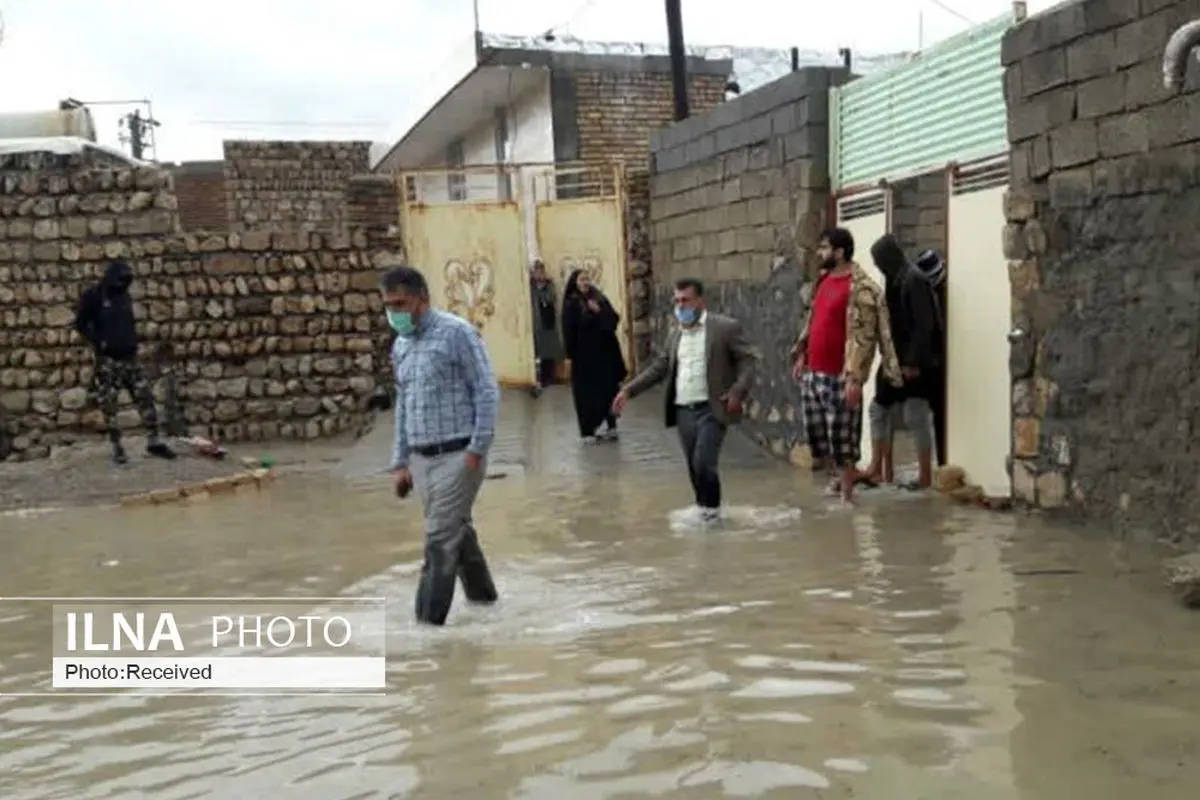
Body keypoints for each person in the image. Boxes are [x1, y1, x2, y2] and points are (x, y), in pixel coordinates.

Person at [383, 266, 500, 627]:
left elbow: (486, 390)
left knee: (438, 540)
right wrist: (400, 462)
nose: (394, 312)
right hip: (421, 459)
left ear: (423, 299)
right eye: (388, 305)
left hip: (458, 456)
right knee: (456, 531)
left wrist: (477, 450)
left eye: (401, 303)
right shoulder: (401, 345)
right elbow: (403, 403)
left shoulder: (457, 334)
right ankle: (485, 603)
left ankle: (427, 630)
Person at [612, 277, 758, 522]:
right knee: (693, 467)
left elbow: (748, 360)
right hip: (683, 411)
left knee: (704, 462)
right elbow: (659, 368)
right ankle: (704, 511)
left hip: (712, 408)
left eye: (686, 300)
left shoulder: (724, 328)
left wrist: (737, 391)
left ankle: (712, 515)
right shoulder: (675, 335)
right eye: (677, 301)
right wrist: (628, 391)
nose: (681, 306)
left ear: (700, 301)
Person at [790, 228, 901, 504]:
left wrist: (855, 378)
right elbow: (813, 320)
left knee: (844, 441)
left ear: (840, 252)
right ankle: (838, 480)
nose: (819, 253)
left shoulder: (861, 288)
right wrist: (802, 353)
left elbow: (864, 338)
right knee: (820, 438)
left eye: (824, 248)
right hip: (813, 372)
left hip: (840, 376)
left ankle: (848, 499)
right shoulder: (824, 280)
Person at [74, 260, 176, 465]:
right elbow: (80, 323)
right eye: (121, 278)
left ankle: (153, 441)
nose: (123, 283)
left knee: (145, 398)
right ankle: (117, 446)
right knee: (110, 406)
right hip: (109, 360)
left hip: (131, 357)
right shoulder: (94, 296)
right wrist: (98, 341)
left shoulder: (124, 296)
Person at [865, 234, 942, 490]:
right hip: (895, 358)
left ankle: (924, 476)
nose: (877, 267)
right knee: (878, 409)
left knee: (915, 414)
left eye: (878, 261)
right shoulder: (895, 280)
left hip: (915, 362)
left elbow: (924, 326)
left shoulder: (914, 281)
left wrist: (912, 363)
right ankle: (877, 469)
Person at [562, 269, 627, 443]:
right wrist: (569, 356)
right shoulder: (571, 304)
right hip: (584, 360)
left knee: (608, 389)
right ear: (575, 282)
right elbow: (569, 331)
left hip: (604, 356)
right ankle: (588, 431)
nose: (585, 282)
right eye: (581, 279)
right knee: (586, 395)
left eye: (587, 279)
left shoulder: (598, 298)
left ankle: (611, 425)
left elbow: (613, 320)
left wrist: (599, 311)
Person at [915, 249, 948, 468]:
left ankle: (941, 462)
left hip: (943, 364)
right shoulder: (932, 293)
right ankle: (941, 462)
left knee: (938, 416)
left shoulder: (939, 293)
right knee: (937, 415)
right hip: (937, 366)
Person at [528, 260, 564, 398]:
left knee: (549, 348)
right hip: (537, 320)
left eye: (541, 270)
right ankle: (539, 376)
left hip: (548, 319)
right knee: (538, 347)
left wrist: (545, 290)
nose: (539, 273)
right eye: (536, 270)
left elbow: (552, 298)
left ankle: (549, 375)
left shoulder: (549, 285)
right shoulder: (531, 286)